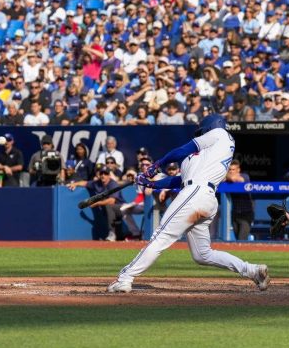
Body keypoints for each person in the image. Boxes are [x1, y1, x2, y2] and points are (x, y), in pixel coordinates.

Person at [106, 114, 269, 293]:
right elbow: (178, 181)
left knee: (160, 236)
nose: (199, 134)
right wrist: (150, 183)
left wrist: (157, 164)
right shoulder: (203, 156)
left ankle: (125, 277)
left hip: (196, 193)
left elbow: (184, 148)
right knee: (202, 254)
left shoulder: (221, 134)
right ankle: (252, 270)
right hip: (203, 198)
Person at [83, 165, 130, 242]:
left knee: (109, 206)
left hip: (122, 208)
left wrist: (96, 203)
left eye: (105, 174)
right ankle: (116, 234)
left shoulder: (113, 184)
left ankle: (112, 233)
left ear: (109, 175)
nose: (103, 175)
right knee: (108, 208)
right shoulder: (97, 183)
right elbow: (85, 183)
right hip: (111, 211)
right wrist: (74, 184)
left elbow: (112, 201)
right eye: (101, 173)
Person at [225, 159, 253, 241]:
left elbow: (235, 179)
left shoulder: (245, 176)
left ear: (238, 170)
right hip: (235, 213)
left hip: (246, 214)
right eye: (229, 169)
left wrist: (226, 175)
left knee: (242, 240)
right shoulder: (228, 179)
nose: (231, 171)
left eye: (233, 169)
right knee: (237, 240)